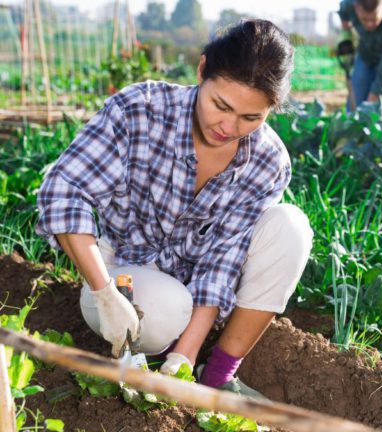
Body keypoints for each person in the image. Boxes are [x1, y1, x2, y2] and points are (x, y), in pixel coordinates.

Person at [35, 19, 313, 398]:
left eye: (251, 118)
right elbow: (64, 192)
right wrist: (104, 294)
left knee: (291, 226)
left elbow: (223, 261)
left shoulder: (266, 160)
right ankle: (148, 346)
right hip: (127, 279)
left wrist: (186, 356)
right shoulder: (139, 110)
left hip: (195, 287)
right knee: (166, 307)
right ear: (201, 71)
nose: (229, 127)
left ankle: (216, 376)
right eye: (221, 105)